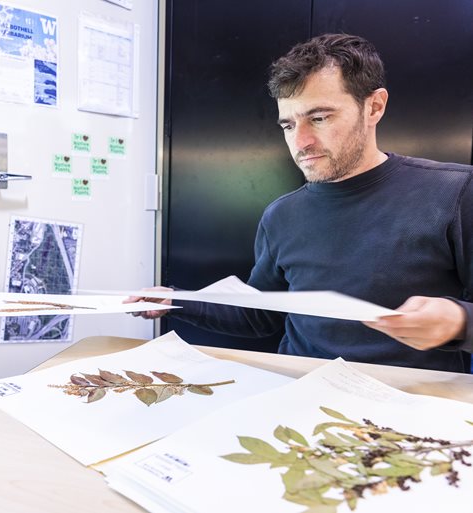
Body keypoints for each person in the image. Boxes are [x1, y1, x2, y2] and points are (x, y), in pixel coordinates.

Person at [127, 33, 473, 373]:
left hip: (411, 406)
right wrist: (176, 300)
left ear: (374, 106)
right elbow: (260, 314)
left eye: (320, 118)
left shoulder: (455, 192)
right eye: (288, 125)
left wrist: (460, 321)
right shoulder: (282, 215)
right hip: (300, 393)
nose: (301, 142)